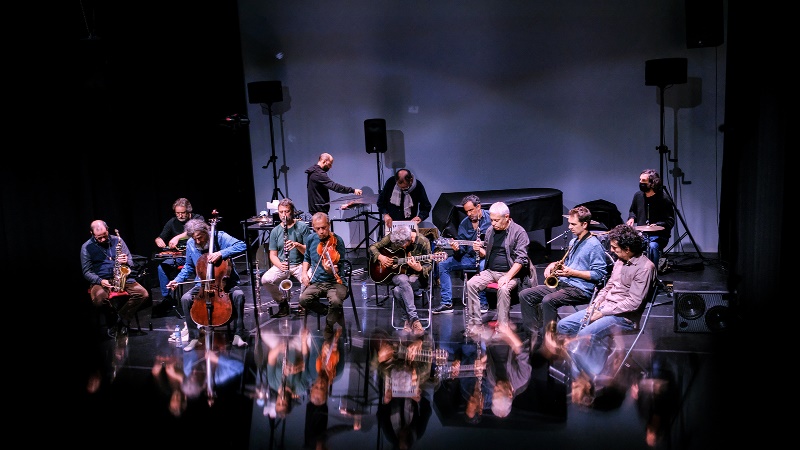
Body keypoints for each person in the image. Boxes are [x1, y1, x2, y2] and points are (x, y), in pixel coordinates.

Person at [554, 224, 656, 400]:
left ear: (627, 248)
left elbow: (633, 302)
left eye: (615, 248)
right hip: (605, 308)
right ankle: (582, 370)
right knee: (564, 325)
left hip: (624, 317)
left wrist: (602, 313)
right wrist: (595, 305)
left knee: (586, 334)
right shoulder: (620, 261)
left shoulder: (645, 268)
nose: (612, 250)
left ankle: (589, 375)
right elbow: (608, 287)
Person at [518, 205, 609, 351]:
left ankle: (549, 342)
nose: (569, 227)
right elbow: (568, 263)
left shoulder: (594, 245)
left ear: (584, 224)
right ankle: (534, 337)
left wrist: (572, 273)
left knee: (549, 300)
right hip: (564, 284)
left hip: (581, 289)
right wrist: (552, 265)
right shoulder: (574, 242)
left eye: (573, 224)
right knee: (525, 295)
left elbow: (599, 274)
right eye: (569, 223)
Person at [166, 218, 249, 351]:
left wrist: (221, 253)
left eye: (200, 237)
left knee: (238, 295)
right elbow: (189, 266)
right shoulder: (191, 243)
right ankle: (194, 337)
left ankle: (238, 335)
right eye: (194, 239)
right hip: (202, 284)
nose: (198, 241)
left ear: (207, 231)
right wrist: (177, 280)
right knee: (185, 299)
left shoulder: (219, 237)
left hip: (225, 283)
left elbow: (242, 245)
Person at [464, 202, 532, 338]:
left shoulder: (519, 232)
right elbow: (487, 254)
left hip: (512, 274)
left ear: (506, 217)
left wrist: (507, 277)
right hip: (491, 271)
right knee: (471, 284)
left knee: (503, 288)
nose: (493, 223)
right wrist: (479, 250)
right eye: (491, 220)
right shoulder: (490, 231)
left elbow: (521, 259)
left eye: (496, 220)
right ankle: (475, 324)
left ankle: (503, 326)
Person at [81, 219, 149, 337]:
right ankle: (113, 320)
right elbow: (86, 272)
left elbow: (131, 261)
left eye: (104, 236)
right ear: (91, 233)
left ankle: (120, 319)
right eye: (99, 238)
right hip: (101, 280)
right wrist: (100, 280)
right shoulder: (86, 247)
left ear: (107, 230)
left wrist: (126, 261)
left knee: (143, 294)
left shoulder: (118, 240)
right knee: (99, 300)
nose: (103, 239)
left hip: (122, 277)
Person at [369, 225, 434, 336]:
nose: (400, 247)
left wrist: (419, 268)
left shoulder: (423, 242)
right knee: (402, 279)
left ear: (409, 240)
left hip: (416, 277)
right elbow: (372, 247)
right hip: (397, 275)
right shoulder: (394, 236)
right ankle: (415, 320)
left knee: (397, 291)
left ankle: (407, 320)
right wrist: (381, 257)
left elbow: (429, 265)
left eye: (402, 245)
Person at [433, 194, 491, 315]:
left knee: (482, 267)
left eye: (471, 210)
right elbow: (461, 252)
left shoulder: (491, 219)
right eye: (466, 211)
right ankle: (447, 303)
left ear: (478, 207)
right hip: (469, 258)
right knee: (443, 264)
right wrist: (456, 249)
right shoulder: (464, 224)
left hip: (487, 258)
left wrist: (483, 251)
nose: (469, 214)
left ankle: (483, 302)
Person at [298, 212, 350, 341]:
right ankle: (331, 313)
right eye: (318, 229)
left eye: (324, 228)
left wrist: (330, 270)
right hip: (317, 282)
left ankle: (328, 326)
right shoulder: (311, 239)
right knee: (303, 299)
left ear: (329, 225)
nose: (321, 231)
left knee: (336, 301)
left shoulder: (337, 241)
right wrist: (304, 273)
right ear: (313, 227)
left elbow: (340, 267)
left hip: (336, 282)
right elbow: (307, 258)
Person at [152, 198, 203, 318]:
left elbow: (196, 230)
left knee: (200, 268)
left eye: (182, 213)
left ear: (188, 211)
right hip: (181, 256)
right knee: (162, 267)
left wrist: (178, 237)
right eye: (177, 213)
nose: (180, 215)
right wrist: (158, 240)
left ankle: (200, 294)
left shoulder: (198, 218)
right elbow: (161, 236)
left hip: (197, 254)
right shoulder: (172, 222)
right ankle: (168, 298)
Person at [260, 198, 311, 318]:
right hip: (283, 265)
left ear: (292, 211)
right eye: (281, 212)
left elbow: (309, 252)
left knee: (309, 278)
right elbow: (272, 255)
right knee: (265, 280)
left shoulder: (302, 227)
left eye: (287, 211)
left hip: (300, 264)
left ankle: (303, 303)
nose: (284, 215)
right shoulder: (275, 231)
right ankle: (282, 303)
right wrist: (279, 265)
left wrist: (297, 245)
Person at [626, 169, 675, 270]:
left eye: (643, 181)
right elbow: (633, 211)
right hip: (641, 234)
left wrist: (658, 224)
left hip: (659, 236)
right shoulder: (638, 196)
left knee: (652, 246)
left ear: (652, 183)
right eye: (640, 180)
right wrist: (631, 218)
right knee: (628, 244)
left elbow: (670, 220)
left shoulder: (664, 199)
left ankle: (652, 273)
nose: (640, 183)